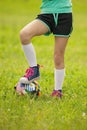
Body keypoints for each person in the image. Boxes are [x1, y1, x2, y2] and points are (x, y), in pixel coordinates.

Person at [19, 0, 73, 98]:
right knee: (24, 34)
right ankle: (34, 70)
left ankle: (57, 92)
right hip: (47, 14)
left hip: (64, 15)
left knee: (58, 56)